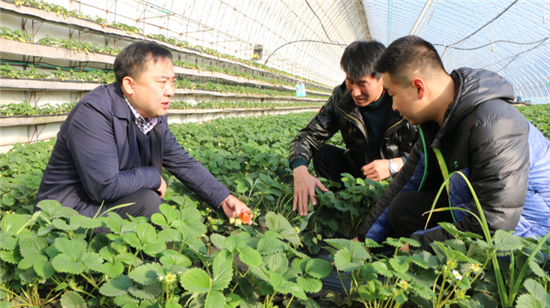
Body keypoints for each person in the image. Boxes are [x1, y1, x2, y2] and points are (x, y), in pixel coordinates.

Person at [355, 35, 550, 252]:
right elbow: (403, 183)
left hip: (532, 232)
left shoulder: (494, 126)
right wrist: (362, 240)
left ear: (419, 88)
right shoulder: (435, 125)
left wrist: (418, 245)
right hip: (476, 212)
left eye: (392, 94)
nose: (392, 106)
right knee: (404, 207)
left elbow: (495, 226)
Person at [35, 41, 252, 225]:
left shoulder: (152, 114)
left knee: (149, 199)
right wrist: (153, 176)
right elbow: (104, 186)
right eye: (162, 82)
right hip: (66, 211)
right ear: (130, 85)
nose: (171, 91)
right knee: (149, 201)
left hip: (102, 202)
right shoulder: (94, 113)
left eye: (173, 82)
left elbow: (181, 161)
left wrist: (224, 198)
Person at [288, 41, 418, 216]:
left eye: (363, 84)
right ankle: (342, 207)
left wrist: (394, 165)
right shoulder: (342, 97)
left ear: (382, 78)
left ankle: (376, 208)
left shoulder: (406, 99)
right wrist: (299, 169)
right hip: (360, 170)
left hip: (395, 177)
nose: (355, 92)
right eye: (350, 81)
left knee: (404, 201)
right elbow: (309, 135)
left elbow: (430, 152)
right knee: (323, 154)